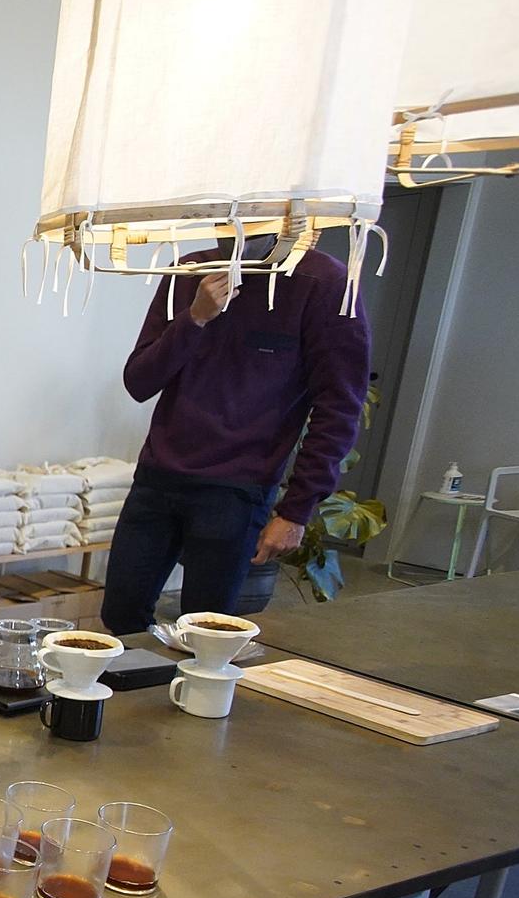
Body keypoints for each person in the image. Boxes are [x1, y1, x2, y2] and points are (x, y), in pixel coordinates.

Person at [101, 238, 370, 632]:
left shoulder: (323, 282)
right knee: (121, 614)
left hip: (238, 488)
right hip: (159, 476)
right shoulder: (190, 270)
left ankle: (188, 693)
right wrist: (194, 318)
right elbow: (139, 381)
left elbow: (340, 406)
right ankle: (142, 688)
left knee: (207, 631)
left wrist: (296, 510)